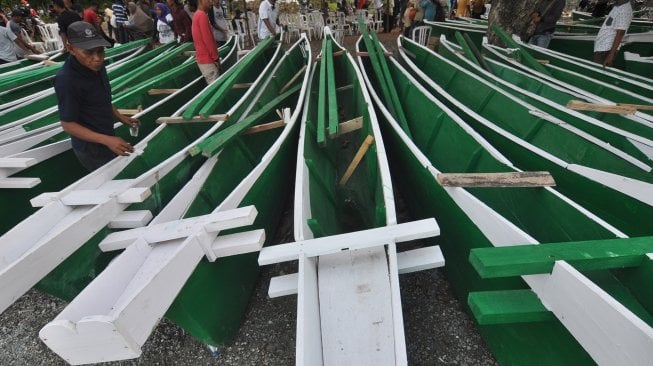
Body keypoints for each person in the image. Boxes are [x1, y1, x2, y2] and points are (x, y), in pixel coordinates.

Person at [55, 21, 139, 171]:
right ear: (71, 49)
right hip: (91, 148)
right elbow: (68, 124)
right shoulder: (67, 80)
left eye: (100, 51)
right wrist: (106, 140)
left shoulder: (97, 66)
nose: (97, 58)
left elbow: (101, 98)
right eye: (88, 52)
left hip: (107, 133)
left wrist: (120, 117)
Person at [593, 0, 632, 67]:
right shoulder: (617, 6)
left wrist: (610, 55)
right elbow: (609, 24)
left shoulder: (625, 10)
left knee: (599, 73)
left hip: (606, 50)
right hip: (601, 47)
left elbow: (620, 33)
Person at [192, 0, 221, 83]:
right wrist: (215, 59)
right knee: (215, 88)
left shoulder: (197, 15)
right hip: (208, 59)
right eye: (208, 0)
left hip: (203, 58)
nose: (211, 3)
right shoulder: (202, 15)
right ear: (201, 1)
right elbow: (208, 40)